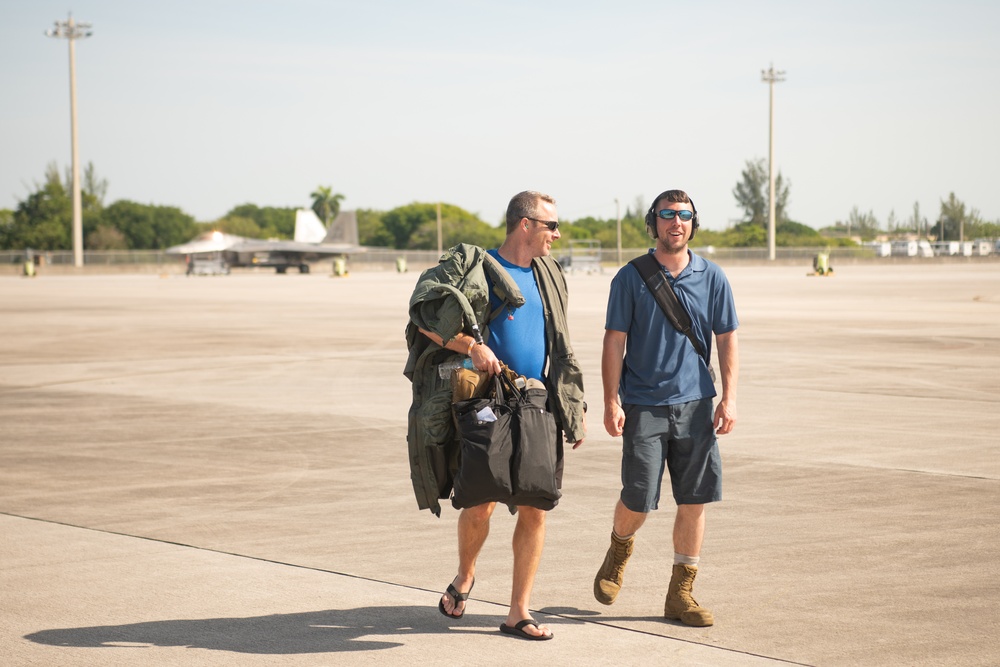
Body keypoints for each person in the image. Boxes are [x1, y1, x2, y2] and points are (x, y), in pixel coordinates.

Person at [404, 190, 586, 641]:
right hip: (486, 401)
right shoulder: (474, 266)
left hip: (536, 399)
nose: (557, 235)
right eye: (551, 226)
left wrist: (572, 407)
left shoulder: (549, 273)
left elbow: (562, 343)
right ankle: (465, 574)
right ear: (525, 224)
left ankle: (518, 612)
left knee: (537, 506)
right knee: (480, 503)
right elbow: (423, 315)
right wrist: (471, 346)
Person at [593, 189, 739, 627]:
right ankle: (619, 548)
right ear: (653, 222)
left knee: (694, 499)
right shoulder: (630, 277)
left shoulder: (712, 277)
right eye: (668, 215)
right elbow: (614, 340)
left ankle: (681, 593)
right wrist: (610, 400)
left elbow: (726, 337)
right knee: (638, 496)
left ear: (694, 223)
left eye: (685, 215)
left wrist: (730, 397)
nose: (677, 222)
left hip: (696, 405)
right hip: (644, 405)